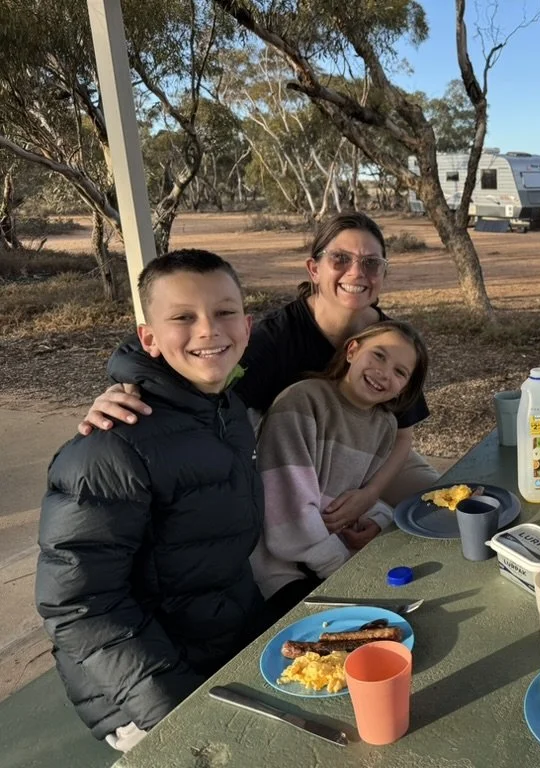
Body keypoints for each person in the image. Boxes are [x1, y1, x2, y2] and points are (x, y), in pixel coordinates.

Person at [76, 212, 440, 532]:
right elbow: (197, 369)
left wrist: (370, 494)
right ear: (314, 269)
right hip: (302, 458)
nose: (357, 272)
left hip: (374, 448)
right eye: (340, 259)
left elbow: (403, 437)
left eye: (371, 263)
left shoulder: (390, 342)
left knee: (443, 507)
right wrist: (129, 385)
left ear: (383, 273)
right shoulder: (274, 339)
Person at [35, 250, 265, 751]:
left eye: (224, 312)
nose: (208, 330)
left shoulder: (226, 409)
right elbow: (79, 603)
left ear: (247, 326)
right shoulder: (111, 445)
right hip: (144, 696)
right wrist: (179, 714)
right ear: (150, 338)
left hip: (223, 649)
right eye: (183, 317)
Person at [252, 320, 429, 620]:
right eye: (378, 355)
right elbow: (286, 513)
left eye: (400, 372)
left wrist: (375, 520)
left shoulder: (383, 425)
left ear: (404, 389)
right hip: (282, 568)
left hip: (334, 552)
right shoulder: (302, 402)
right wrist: (343, 569)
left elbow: (355, 495)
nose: (384, 373)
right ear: (351, 351)